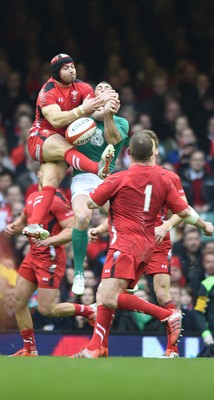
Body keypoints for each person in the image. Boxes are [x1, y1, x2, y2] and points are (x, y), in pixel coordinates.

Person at [70, 130, 213, 358]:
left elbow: (92, 203)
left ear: (128, 153)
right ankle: (97, 347)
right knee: (106, 292)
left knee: (113, 295)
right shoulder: (164, 179)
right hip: (144, 241)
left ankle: (167, 324)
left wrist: (102, 177)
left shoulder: (126, 177)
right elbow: (181, 210)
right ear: (153, 151)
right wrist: (203, 225)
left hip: (136, 242)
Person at [22, 53, 119, 240]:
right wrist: (83, 109)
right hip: (40, 138)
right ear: (56, 72)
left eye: (73, 66)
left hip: (62, 139)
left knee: (50, 185)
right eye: (66, 68)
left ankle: (33, 224)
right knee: (68, 150)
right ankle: (97, 168)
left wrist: (108, 105)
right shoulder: (47, 91)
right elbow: (56, 119)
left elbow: (95, 112)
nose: (72, 70)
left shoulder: (83, 87)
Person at [4, 167, 96, 356]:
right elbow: (24, 219)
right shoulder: (32, 197)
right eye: (43, 171)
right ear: (39, 174)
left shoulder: (57, 199)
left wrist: (50, 240)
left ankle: (88, 310)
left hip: (51, 257)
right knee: (17, 301)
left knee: (46, 309)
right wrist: (14, 227)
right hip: (33, 255)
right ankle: (30, 349)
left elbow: (72, 230)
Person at [71, 81, 129, 295]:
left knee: (123, 220)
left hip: (107, 178)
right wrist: (95, 112)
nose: (103, 92)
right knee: (83, 218)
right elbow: (70, 134)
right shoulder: (81, 120)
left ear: (116, 98)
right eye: (99, 91)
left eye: (108, 90)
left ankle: (125, 274)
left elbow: (113, 140)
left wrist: (107, 115)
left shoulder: (121, 122)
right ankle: (78, 273)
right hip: (83, 177)